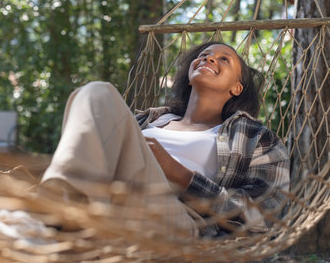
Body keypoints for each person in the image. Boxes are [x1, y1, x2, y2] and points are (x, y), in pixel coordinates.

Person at [40, 42, 290, 238]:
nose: (208, 58)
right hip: (109, 196)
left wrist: (180, 174)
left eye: (224, 59)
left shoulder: (256, 139)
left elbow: (266, 216)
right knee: (96, 92)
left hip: (176, 217)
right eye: (203, 55)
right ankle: (61, 206)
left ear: (237, 87)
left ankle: (54, 211)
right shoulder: (146, 121)